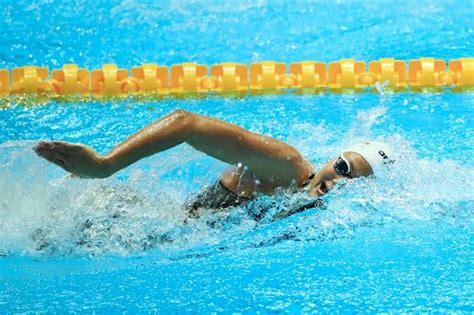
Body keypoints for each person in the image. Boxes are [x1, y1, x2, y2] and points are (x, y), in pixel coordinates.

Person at [33, 109, 394, 221]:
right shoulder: (285, 167)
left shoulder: (311, 207)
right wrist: (104, 165)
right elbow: (184, 123)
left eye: (355, 182)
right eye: (344, 167)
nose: (341, 181)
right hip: (120, 222)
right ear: (334, 157)